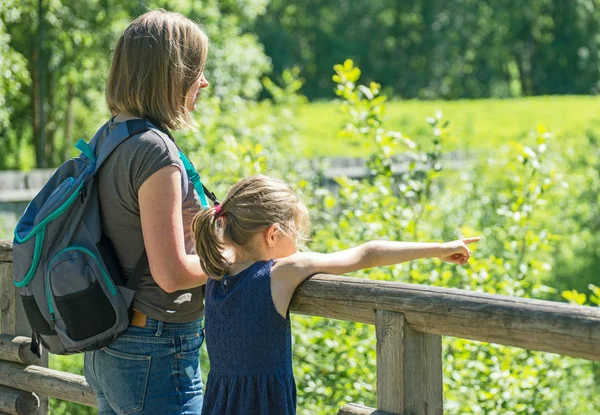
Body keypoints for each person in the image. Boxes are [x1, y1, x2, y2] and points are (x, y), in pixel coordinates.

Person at [193, 175, 481, 415]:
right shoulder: (281, 272)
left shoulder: (216, 273)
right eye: (296, 233)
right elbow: (368, 254)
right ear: (272, 234)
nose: (300, 244)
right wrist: (439, 248)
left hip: (219, 404)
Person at [83, 10, 210, 415]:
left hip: (114, 344)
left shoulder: (112, 134)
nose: (203, 81)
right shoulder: (155, 150)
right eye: (197, 69)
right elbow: (171, 274)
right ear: (171, 74)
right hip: (155, 348)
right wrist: (241, 260)